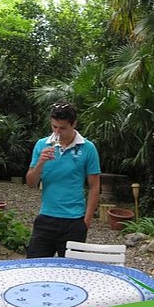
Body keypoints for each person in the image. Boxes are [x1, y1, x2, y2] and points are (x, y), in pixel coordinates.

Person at [25, 102, 101, 258]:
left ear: (74, 124)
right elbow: (30, 183)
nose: (57, 132)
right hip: (46, 217)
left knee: (72, 273)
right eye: (54, 127)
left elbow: (94, 187)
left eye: (62, 128)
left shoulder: (88, 148)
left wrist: (86, 221)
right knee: (33, 269)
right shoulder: (42, 144)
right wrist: (40, 163)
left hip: (74, 221)